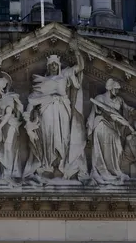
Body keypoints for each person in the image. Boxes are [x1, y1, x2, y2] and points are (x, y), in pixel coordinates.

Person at [23, 49, 87, 181]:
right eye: (51, 64)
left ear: (59, 66)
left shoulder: (64, 75)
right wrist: (27, 118)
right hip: (45, 110)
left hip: (62, 109)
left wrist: (76, 49)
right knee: (48, 134)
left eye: (55, 64)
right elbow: (32, 100)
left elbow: (80, 66)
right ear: (47, 66)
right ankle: (48, 164)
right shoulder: (42, 82)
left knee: (63, 137)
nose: (53, 66)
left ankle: (62, 164)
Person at [87, 79, 133, 184]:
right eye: (116, 89)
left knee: (118, 148)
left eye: (118, 90)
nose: (117, 91)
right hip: (102, 124)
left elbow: (128, 109)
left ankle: (115, 171)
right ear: (110, 88)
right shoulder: (100, 98)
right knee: (103, 148)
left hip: (114, 127)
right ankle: (101, 171)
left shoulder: (119, 100)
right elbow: (103, 110)